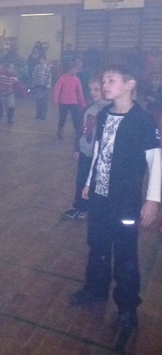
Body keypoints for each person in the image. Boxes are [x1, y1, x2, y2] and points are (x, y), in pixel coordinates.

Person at [69, 64, 161, 331]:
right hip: (100, 195)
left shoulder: (142, 121)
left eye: (111, 80)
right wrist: (89, 182)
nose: (105, 85)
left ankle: (127, 305)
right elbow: (99, 152)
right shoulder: (104, 115)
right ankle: (95, 289)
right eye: (104, 81)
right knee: (97, 244)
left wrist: (152, 200)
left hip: (125, 200)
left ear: (129, 84)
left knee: (125, 252)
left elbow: (156, 161)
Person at [62, 76, 109, 219]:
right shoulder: (88, 109)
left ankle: (97, 209)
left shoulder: (110, 111)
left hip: (100, 156)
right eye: (90, 89)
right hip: (85, 152)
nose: (92, 92)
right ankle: (80, 206)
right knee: (82, 180)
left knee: (99, 183)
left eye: (96, 89)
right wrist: (77, 148)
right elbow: (81, 131)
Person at [53, 61, 86, 140]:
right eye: (75, 69)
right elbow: (57, 89)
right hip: (63, 102)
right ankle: (60, 131)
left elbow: (79, 92)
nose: (76, 71)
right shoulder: (62, 78)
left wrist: (82, 103)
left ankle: (78, 132)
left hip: (73, 102)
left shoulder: (77, 80)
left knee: (76, 119)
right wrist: (55, 98)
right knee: (62, 118)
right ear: (69, 69)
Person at [31, 55, 52, 120]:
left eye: (42, 59)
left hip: (45, 86)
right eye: (40, 59)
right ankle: (38, 114)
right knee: (38, 100)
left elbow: (49, 78)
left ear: (45, 60)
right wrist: (33, 85)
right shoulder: (36, 68)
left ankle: (43, 115)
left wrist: (48, 86)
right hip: (38, 86)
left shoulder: (47, 68)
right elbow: (34, 76)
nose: (41, 61)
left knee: (44, 101)